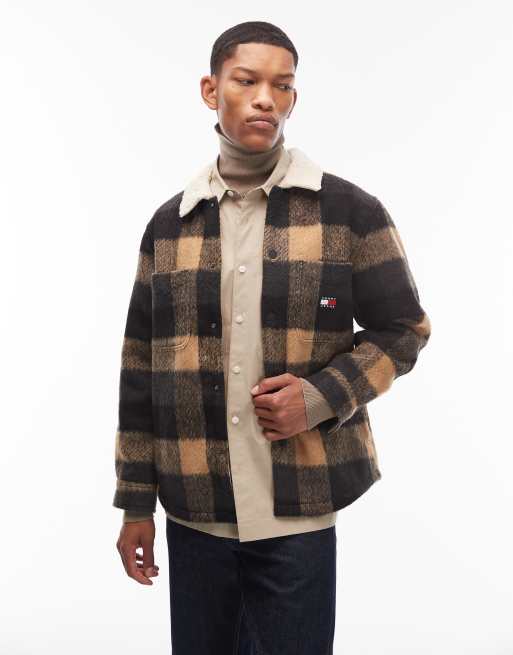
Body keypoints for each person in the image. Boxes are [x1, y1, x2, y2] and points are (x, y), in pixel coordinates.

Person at [113, 20, 431, 655]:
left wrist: (320, 397)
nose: (265, 98)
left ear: (293, 99)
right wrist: (136, 504)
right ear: (211, 90)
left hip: (299, 512)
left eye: (282, 86)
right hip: (195, 513)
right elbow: (140, 369)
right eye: (246, 81)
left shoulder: (348, 212)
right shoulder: (169, 227)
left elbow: (403, 330)